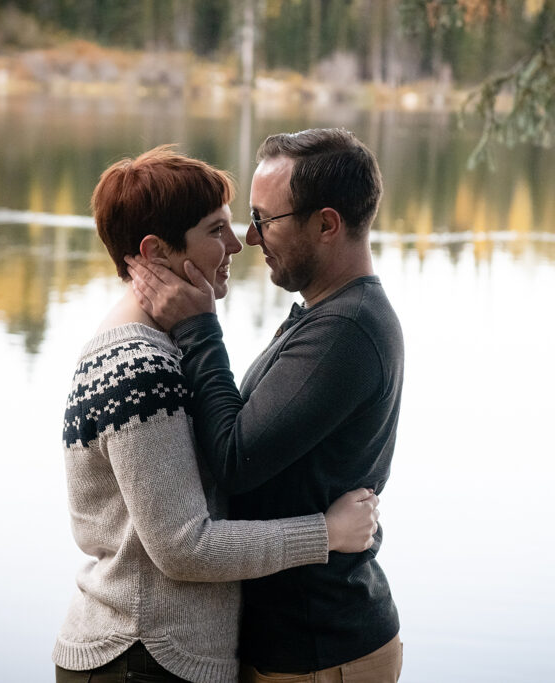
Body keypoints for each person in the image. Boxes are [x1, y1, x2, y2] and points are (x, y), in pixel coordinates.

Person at [53, 145, 381, 683]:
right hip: (140, 656)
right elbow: (185, 547)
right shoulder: (137, 366)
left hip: (157, 655)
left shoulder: (163, 348)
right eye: (216, 231)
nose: (236, 244)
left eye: (237, 225)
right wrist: (324, 532)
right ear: (155, 250)